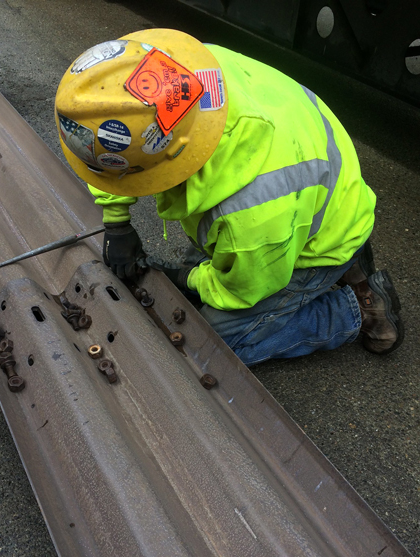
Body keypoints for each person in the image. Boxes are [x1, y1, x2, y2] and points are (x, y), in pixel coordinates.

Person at [54, 28, 403, 366]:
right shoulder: (177, 71)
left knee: (216, 343)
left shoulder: (249, 214)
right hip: (321, 188)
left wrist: (182, 278)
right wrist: (117, 224)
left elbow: (239, 290)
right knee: (205, 274)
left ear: (175, 152)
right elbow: (111, 151)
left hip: (309, 234)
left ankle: (351, 308)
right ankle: (349, 254)